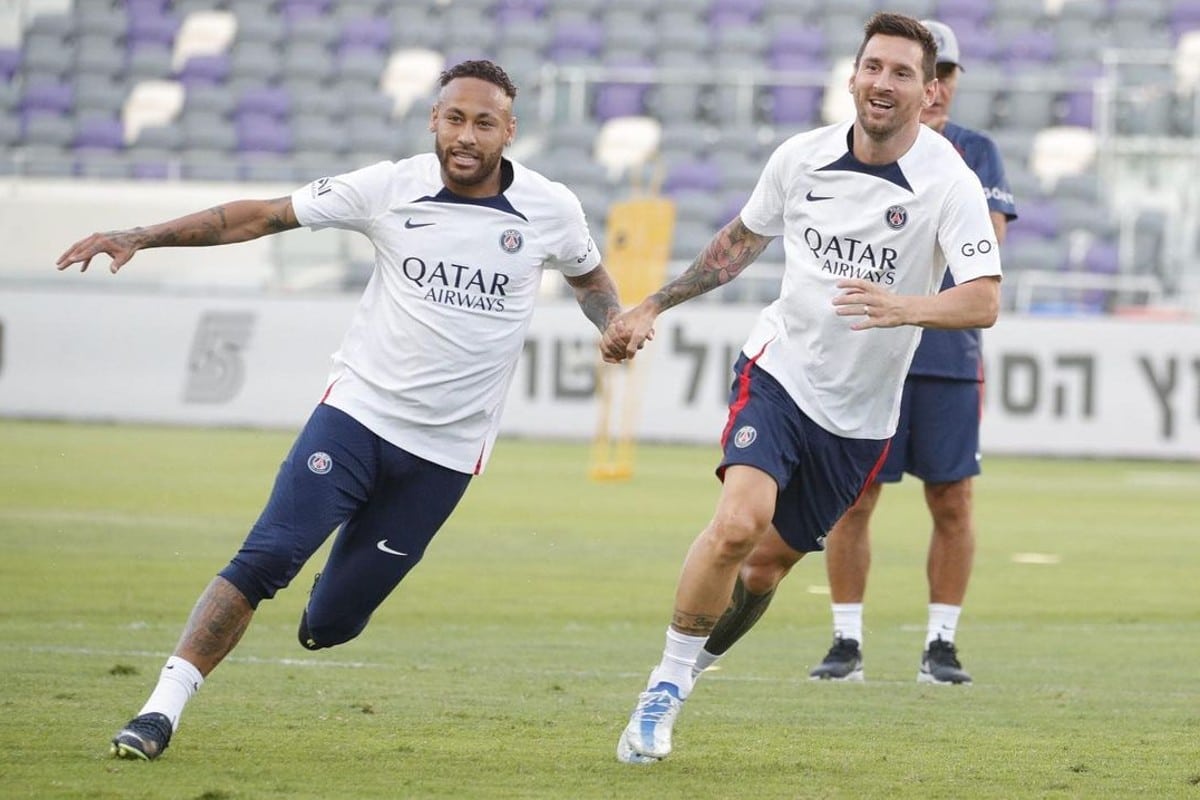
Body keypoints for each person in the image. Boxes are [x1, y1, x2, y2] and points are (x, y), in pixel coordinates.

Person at [56, 60, 623, 761]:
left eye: (484, 122)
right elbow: (262, 216)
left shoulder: (550, 208)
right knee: (265, 557)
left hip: (445, 456)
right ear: (433, 120)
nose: (466, 135)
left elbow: (587, 273)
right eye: (454, 118)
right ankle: (157, 711)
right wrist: (141, 234)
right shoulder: (387, 187)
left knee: (330, 626)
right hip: (356, 417)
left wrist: (612, 321)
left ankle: (337, 588)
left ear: (509, 130)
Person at [604, 13, 1002, 764]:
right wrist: (652, 303)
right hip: (780, 372)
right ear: (853, 76)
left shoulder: (949, 178)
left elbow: (983, 299)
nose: (883, 82)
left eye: (902, 72)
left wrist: (905, 306)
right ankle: (664, 686)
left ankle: (692, 667)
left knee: (762, 569)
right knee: (737, 523)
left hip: (860, 416)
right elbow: (737, 244)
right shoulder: (801, 157)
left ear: (927, 91)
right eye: (873, 67)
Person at [806, 19, 1018, 685]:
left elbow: (984, 255)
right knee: (855, 498)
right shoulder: (856, 149)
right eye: (937, 73)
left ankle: (941, 645)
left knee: (952, 498)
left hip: (947, 354)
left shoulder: (973, 152)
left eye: (947, 74)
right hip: (871, 348)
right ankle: (845, 641)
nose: (941, 87)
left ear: (940, 83)